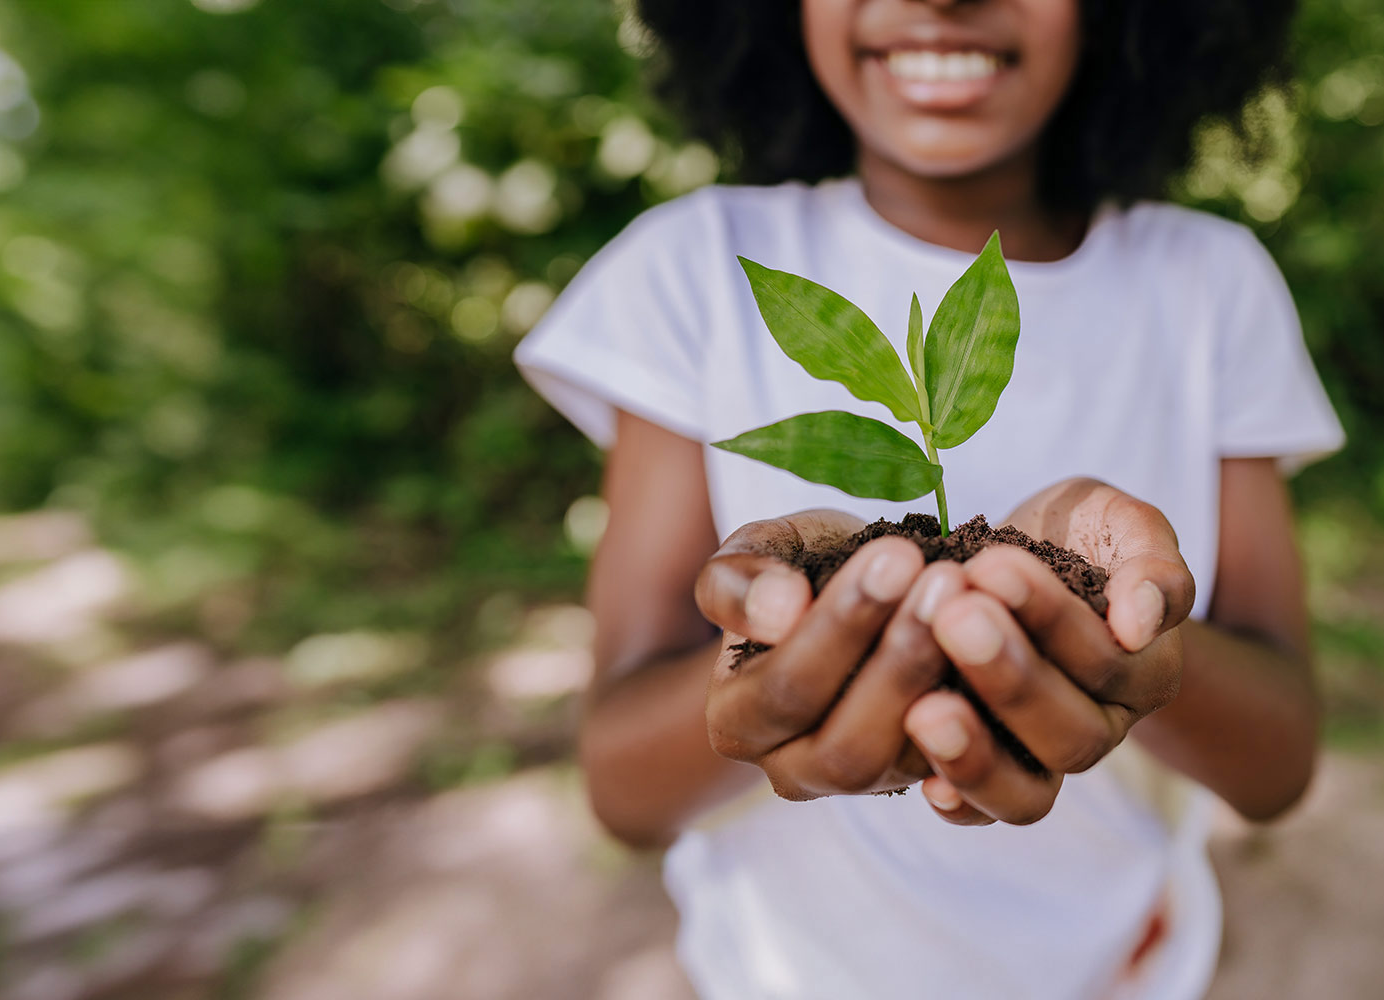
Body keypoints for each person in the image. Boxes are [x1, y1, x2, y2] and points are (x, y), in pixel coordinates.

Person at [515, 1, 1341, 996]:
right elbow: (621, 784)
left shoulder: (1209, 285)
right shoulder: (691, 271)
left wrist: (1128, 646)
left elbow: (1279, 757)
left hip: (1127, 970)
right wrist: (792, 666)